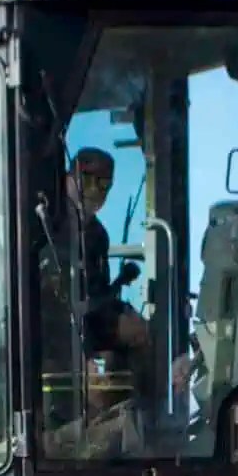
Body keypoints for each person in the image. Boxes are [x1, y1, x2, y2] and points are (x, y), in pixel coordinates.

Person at [68, 147, 148, 358]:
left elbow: (98, 293)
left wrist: (122, 313)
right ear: (69, 179)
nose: (95, 191)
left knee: (143, 333)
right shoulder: (44, 224)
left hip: (90, 322)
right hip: (56, 328)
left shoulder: (98, 235)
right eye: (87, 180)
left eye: (104, 185)